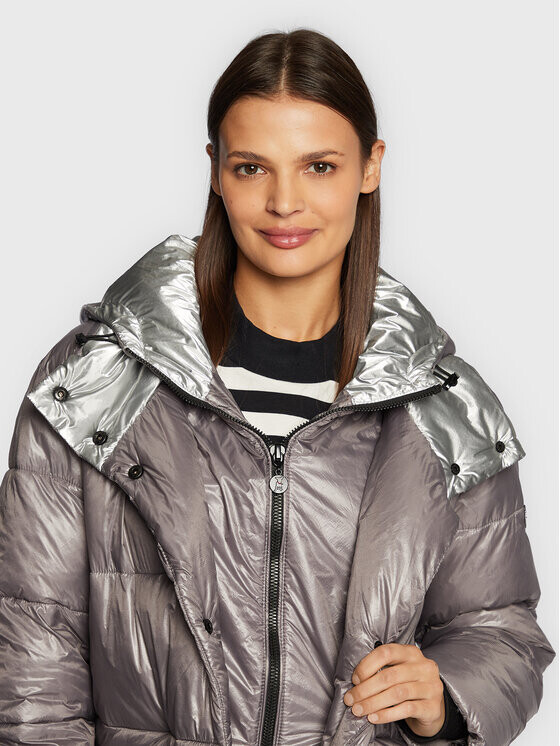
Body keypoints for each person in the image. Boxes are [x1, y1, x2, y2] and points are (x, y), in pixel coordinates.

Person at [0, 27, 555, 746]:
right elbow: (33, 652)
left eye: (319, 166)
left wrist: (443, 696)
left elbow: (501, 632)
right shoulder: (94, 387)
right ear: (215, 170)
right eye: (252, 167)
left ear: (370, 166)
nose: (284, 202)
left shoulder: (447, 414)